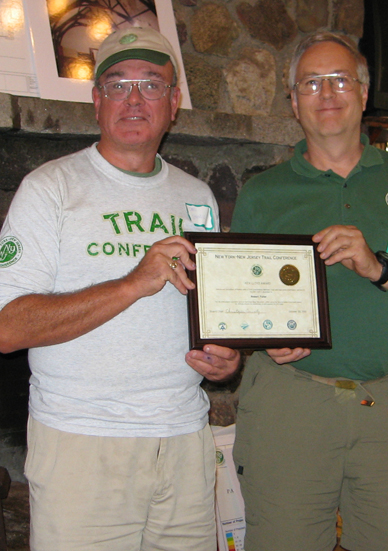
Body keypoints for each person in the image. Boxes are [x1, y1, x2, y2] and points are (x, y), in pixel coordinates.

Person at [0, 26, 240, 551]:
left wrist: (228, 356)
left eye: (151, 84)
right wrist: (133, 283)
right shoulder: (49, 188)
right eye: (117, 84)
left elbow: (212, 311)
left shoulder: (197, 196)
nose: (134, 99)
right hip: (82, 447)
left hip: (184, 443)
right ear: (96, 101)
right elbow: (8, 327)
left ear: (174, 103)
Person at [230, 31, 388, 551]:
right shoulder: (263, 194)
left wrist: (380, 266)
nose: (327, 93)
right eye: (311, 83)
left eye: (340, 80)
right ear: (293, 101)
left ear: (362, 91)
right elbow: (241, 301)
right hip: (289, 405)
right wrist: (262, 338)